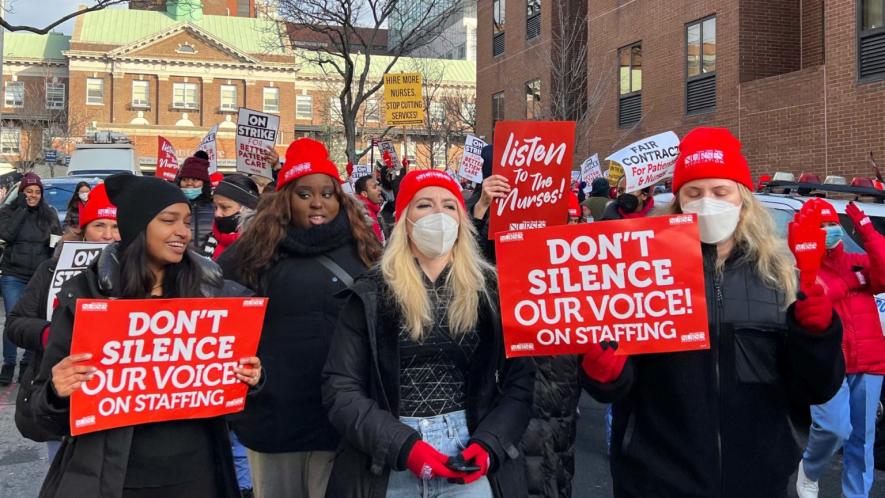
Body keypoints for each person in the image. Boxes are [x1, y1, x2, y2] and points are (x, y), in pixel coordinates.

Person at [581, 127, 846, 497]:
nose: (707, 202)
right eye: (694, 193)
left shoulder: (780, 277)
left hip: (757, 483)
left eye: (720, 192)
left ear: (742, 198)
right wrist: (603, 372)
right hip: (655, 483)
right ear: (677, 200)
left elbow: (816, 387)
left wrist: (817, 335)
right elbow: (617, 386)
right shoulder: (644, 273)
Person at [29, 174, 261, 497]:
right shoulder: (87, 297)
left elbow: (244, 410)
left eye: (186, 221)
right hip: (117, 479)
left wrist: (251, 381)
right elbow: (40, 414)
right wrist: (57, 391)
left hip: (199, 477)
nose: (183, 231)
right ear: (139, 227)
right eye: (169, 220)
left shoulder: (214, 299)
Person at [322, 169, 535, 497]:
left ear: (462, 220)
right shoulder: (371, 294)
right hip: (390, 457)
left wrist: (490, 444)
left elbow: (519, 385)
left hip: (469, 449)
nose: (439, 214)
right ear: (404, 219)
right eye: (424, 205)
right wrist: (404, 447)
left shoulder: (491, 292)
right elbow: (341, 389)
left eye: (450, 206)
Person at [219, 138, 382, 498]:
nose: (318, 203)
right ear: (285, 198)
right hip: (274, 415)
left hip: (341, 417)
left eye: (327, 193)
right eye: (304, 194)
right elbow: (216, 310)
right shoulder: (253, 252)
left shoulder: (364, 248)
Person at [5, 182, 119, 461]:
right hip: (61, 388)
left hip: (113, 394)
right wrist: (50, 335)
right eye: (99, 226)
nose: (107, 235)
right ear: (83, 230)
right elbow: (16, 323)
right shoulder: (51, 269)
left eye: (115, 227)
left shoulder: (138, 272)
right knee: (64, 471)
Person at [796, 199, 885, 498]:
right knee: (834, 428)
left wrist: (868, 232)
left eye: (832, 224)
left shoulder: (857, 260)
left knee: (862, 440)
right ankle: (809, 469)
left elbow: (882, 274)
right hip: (829, 363)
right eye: (820, 226)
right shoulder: (802, 268)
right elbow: (814, 296)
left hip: (870, 363)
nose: (829, 230)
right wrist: (849, 284)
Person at [0, 172, 62, 385]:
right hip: (13, 275)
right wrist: (23, 209)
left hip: (38, 276)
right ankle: (8, 364)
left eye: (37, 192)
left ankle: (27, 363)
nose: (33, 195)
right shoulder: (9, 211)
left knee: (34, 320)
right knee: (12, 318)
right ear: (22, 193)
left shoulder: (49, 213)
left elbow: (56, 240)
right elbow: (7, 234)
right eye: (29, 191)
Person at [200, 174, 260, 260]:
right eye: (215, 207)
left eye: (224, 207)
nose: (217, 214)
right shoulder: (208, 240)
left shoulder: (261, 247)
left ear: (246, 210)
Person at [176, 153, 215, 251]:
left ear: (204, 183)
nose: (189, 183)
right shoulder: (173, 206)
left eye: (195, 180)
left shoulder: (215, 208)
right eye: (184, 179)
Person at [354, 174, 385, 243]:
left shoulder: (371, 210)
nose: (379, 189)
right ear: (364, 194)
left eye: (378, 185)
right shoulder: (364, 215)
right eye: (374, 187)